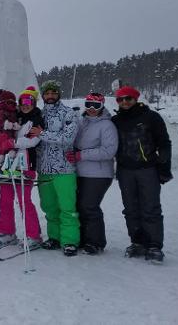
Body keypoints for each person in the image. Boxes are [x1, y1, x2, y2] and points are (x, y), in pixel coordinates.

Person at [111, 86, 172, 263]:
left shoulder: (151, 117)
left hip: (148, 169)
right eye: (120, 99)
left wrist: (164, 167)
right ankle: (137, 241)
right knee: (130, 208)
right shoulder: (115, 120)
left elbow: (164, 143)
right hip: (125, 170)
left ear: (135, 98)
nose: (124, 102)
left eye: (128, 98)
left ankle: (154, 245)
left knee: (150, 207)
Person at [0, 86, 43, 248]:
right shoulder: (16, 118)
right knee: (5, 199)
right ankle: (6, 231)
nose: (25, 104)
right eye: (22, 102)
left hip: (26, 163)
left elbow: (33, 140)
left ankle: (33, 235)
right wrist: (0, 139)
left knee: (23, 200)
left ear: (34, 102)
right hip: (9, 162)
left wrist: (13, 142)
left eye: (28, 101)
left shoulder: (36, 120)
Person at [35, 80, 80, 256]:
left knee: (67, 207)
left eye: (54, 92)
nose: (50, 96)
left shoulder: (68, 113)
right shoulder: (39, 114)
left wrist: (43, 134)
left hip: (64, 169)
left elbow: (67, 138)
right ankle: (54, 237)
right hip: (44, 170)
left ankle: (69, 240)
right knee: (49, 206)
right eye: (47, 93)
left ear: (58, 94)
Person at [69, 93, 118, 255]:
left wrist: (81, 155)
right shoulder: (82, 122)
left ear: (102, 106)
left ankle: (96, 242)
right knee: (79, 206)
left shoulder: (107, 125)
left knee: (89, 206)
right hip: (80, 171)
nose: (91, 108)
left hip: (99, 174)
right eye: (88, 104)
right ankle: (84, 238)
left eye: (96, 106)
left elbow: (109, 151)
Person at [0, 89, 18, 174]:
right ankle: (3, 169)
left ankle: (0, 168)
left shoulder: (13, 111)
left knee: (6, 152)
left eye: (13, 102)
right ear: (3, 102)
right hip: (2, 136)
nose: (11, 104)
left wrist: (15, 125)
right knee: (8, 151)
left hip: (9, 135)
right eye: (9, 102)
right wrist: (6, 123)